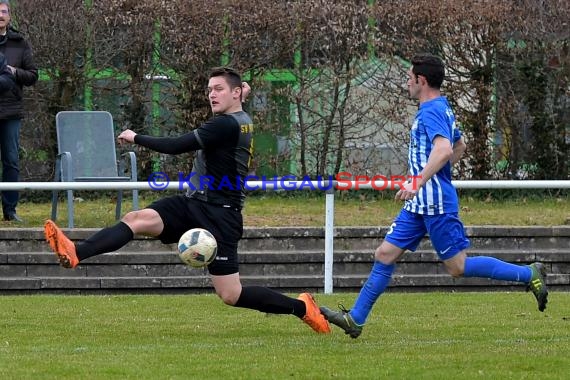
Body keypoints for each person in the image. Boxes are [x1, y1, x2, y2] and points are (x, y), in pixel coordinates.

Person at [44, 67, 331, 334]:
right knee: (136, 219)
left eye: (219, 89)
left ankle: (303, 308)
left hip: (220, 215)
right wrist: (239, 90)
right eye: (209, 90)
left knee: (231, 294)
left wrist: (136, 136)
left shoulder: (226, 126)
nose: (212, 95)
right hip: (193, 203)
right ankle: (76, 252)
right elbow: (234, 96)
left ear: (235, 93)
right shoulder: (239, 118)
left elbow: (177, 146)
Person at [320, 53, 548, 339]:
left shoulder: (431, 111)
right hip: (419, 203)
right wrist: (427, 178)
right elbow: (459, 145)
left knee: (458, 267)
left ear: (421, 80)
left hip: (435, 203)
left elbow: (444, 150)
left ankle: (529, 275)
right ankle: (355, 319)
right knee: (385, 254)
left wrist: (417, 181)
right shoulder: (440, 107)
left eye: (408, 78)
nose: (406, 83)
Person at [0, 0, 38, 222]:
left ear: (10, 17)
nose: (0, 16)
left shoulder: (20, 42)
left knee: (11, 161)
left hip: (11, 111)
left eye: (4, 12)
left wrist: (13, 72)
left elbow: (33, 75)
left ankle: (10, 210)